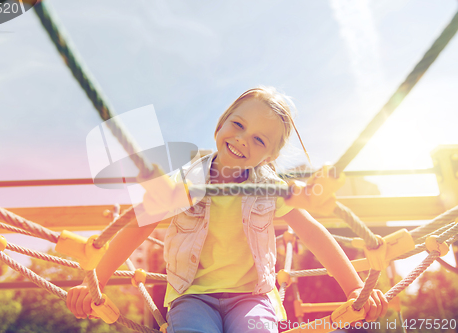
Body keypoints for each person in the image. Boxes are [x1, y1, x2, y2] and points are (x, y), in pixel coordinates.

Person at [66, 87, 388, 332]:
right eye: (238, 124)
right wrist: (96, 280)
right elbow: (141, 224)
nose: (243, 139)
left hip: (252, 297)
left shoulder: (271, 188)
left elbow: (314, 234)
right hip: (191, 295)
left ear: (269, 158)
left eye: (260, 141)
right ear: (221, 124)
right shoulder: (184, 183)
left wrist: (355, 286)